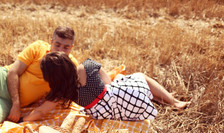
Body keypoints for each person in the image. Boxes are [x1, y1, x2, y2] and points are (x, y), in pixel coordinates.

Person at [23, 52, 191, 122]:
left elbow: (40, 111)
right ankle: (173, 101)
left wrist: (23, 120)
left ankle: (159, 97)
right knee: (139, 76)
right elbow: (107, 83)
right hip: (126, 101)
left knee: (121, 78)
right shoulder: (86, 66)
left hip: (104, 114)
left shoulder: (61, 92)